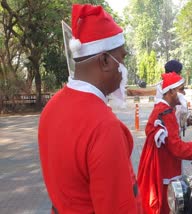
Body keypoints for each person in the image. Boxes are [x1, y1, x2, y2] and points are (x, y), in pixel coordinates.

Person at [38, 4, 141, 213]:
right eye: (121, 59)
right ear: (104, 60)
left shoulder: (51, 107)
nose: (123, 69)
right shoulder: (104, 126)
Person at [137, 72, 192, 214]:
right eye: (181, 89)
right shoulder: (166, 112)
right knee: (165, 207)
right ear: (171, 91)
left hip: (160, 167)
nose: (184, 92)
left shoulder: (162, 110)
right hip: (165, 170)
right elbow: (177, 149)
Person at [156, 60, 190, 136]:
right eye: (179, 73)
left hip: (176, 127)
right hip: (168, 129)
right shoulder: (162, 87)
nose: (180, 75)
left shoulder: (174, 85)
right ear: (175, 73)